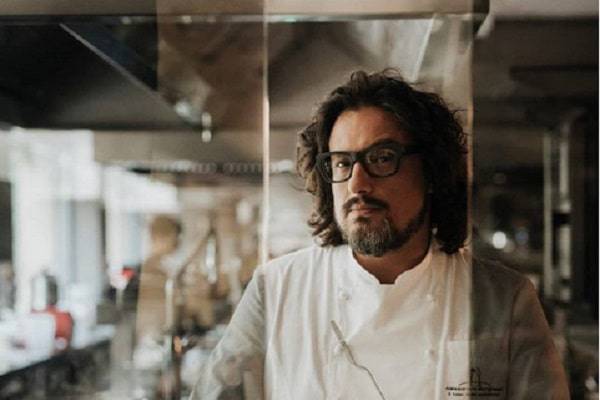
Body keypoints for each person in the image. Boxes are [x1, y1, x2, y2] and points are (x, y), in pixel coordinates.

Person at [190, 70, 569, 399]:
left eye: (382, 158)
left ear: (432, 171)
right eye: (342, 163)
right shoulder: (277, 291)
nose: (358, 183)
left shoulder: (503, 300)